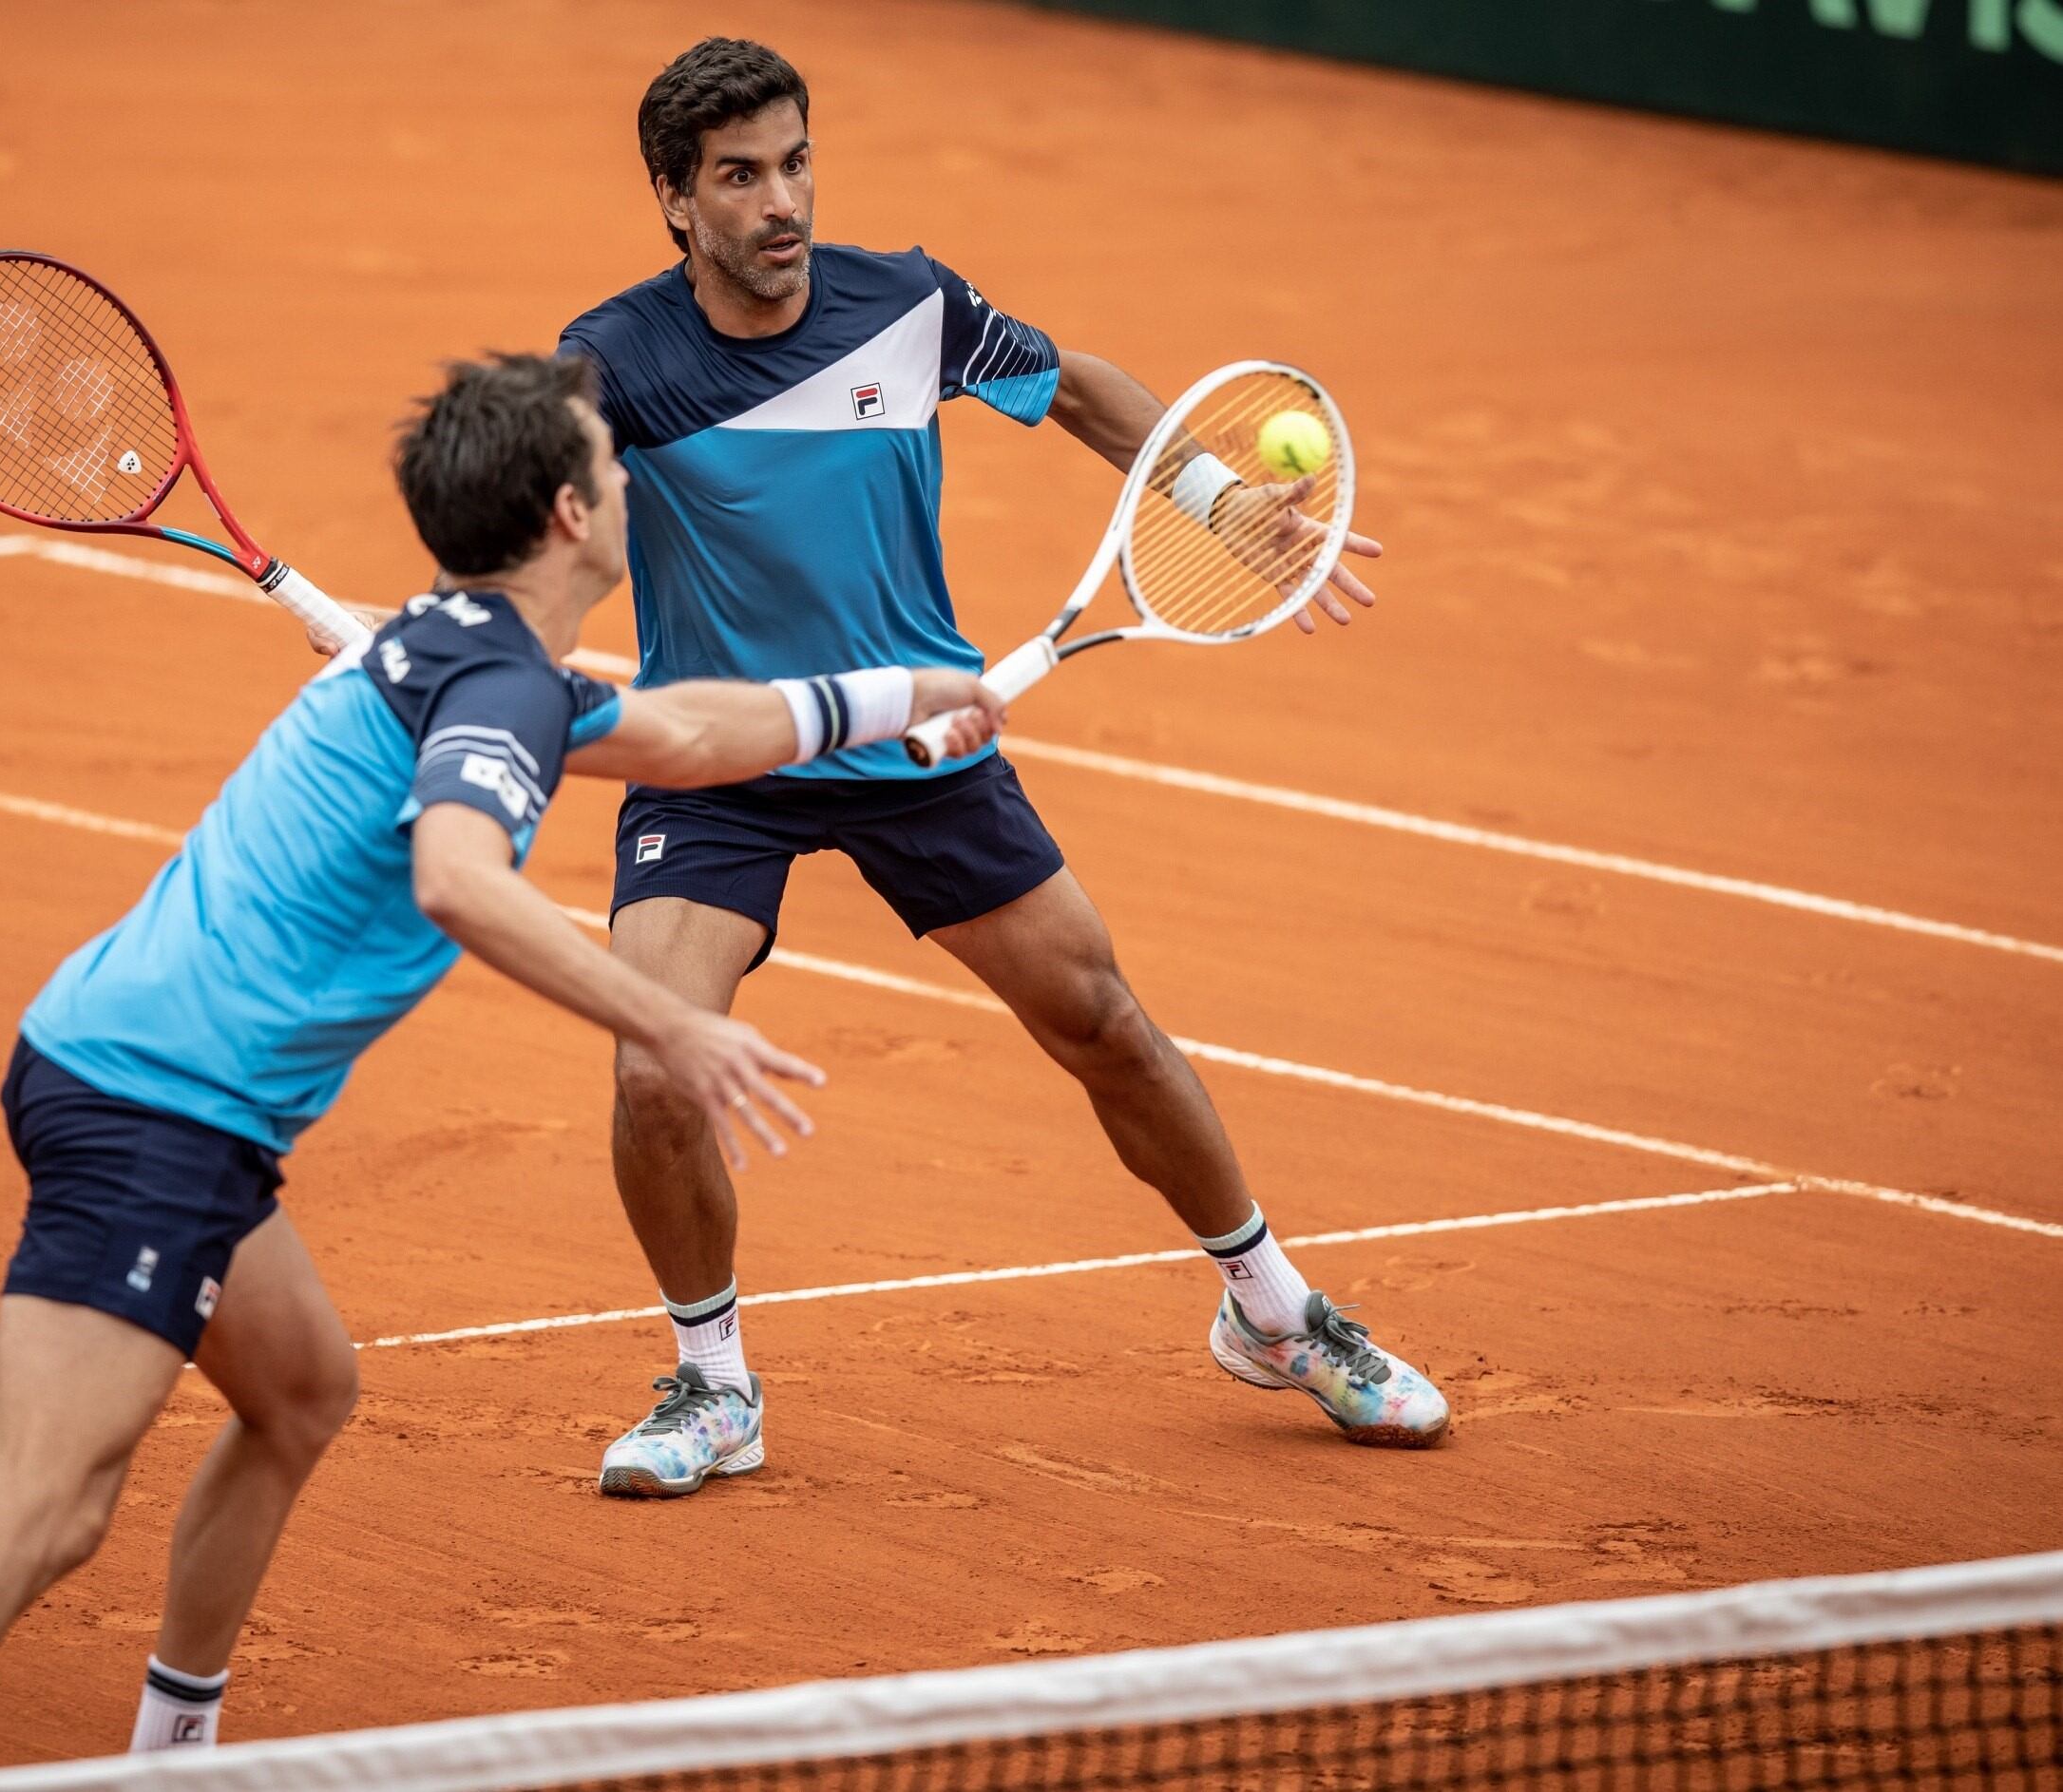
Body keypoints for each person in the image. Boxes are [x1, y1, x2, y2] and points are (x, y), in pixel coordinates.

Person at [0, 353, 1003, 1782]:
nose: (631, 482)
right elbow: (455, 877)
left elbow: (685, 733)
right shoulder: (494, 682)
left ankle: (173, 1745)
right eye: (613, 468)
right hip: (153, 1104)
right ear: (569, 513)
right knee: (48, 1504)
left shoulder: (477, 654)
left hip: (149, 1081)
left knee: (301, 1390)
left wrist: (909, 691)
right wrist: (671, 1020)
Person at [557, 38, 1448, 1502]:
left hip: (922, 735)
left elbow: (1082, 389)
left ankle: (1273, 1310)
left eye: (795, 161)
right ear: (673, 200)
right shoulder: (613, 360)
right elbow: (555, 535)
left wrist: (1226, 505)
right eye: (739, 176)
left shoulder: (904, 299)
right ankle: (713, 1387)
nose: (781, 200)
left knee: (1099, 1015)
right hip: (727, 748)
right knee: (656, 1059)